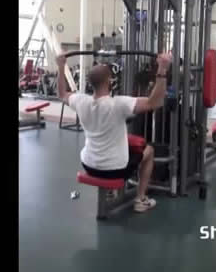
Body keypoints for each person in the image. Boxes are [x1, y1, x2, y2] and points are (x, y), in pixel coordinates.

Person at [55, 52, 172, 213]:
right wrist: (162, 68)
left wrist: (61, 67)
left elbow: (61, 94)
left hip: (88, 164)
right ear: (110, 81)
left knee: (122, 146)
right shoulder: (119, 104)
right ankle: (140, 199)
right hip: (113, 170)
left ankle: (111, 192)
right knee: (149, 151)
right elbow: (155, 102)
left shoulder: (80, 101)